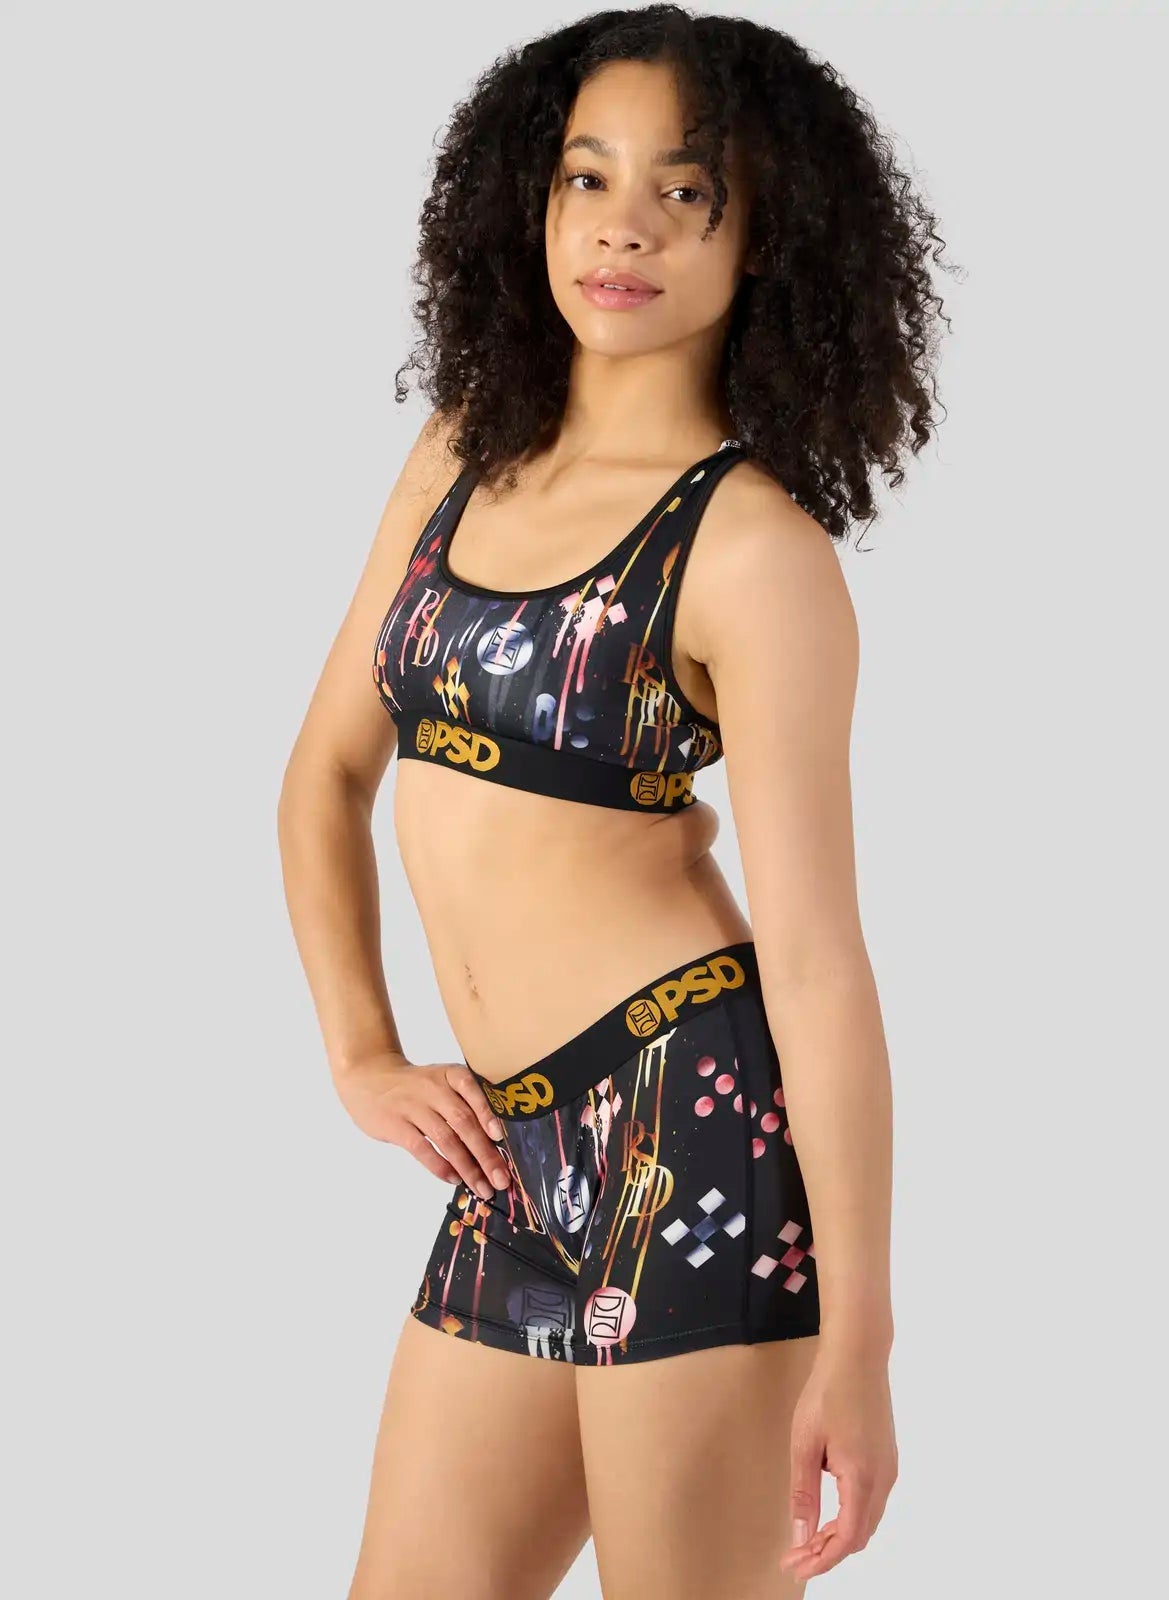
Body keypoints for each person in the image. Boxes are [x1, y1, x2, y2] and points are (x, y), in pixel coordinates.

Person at [278, 7, 949, 1596]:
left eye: (685, 191)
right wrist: (363, 1052)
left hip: (692, 1131)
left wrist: (859, 1340)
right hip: (509, 1157)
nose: (623, 226)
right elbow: (325, 772)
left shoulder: (754, 551)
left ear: (766, 237)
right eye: (589, 178)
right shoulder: (460, 454)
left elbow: (818, 960)